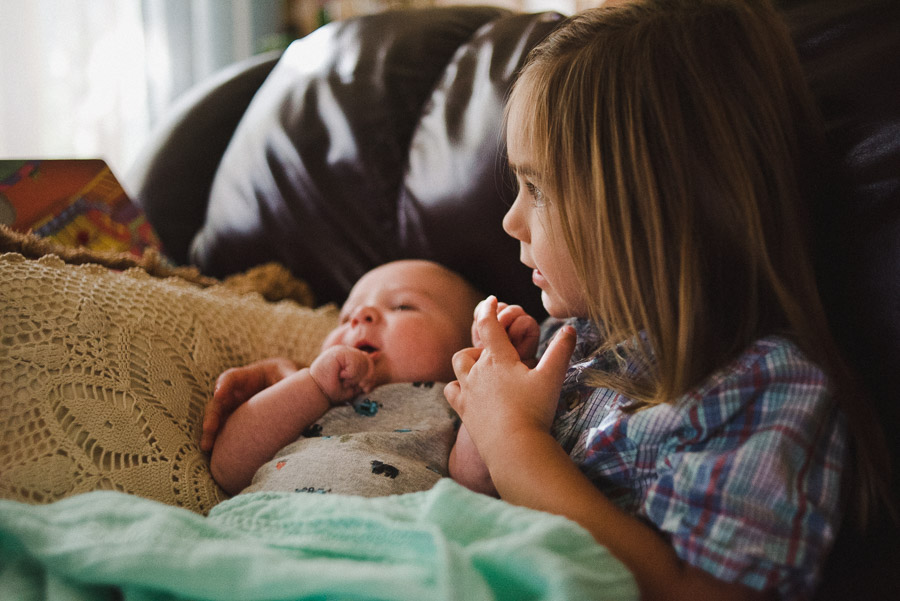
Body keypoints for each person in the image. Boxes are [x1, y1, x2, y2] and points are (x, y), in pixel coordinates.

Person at [442, 1, 893, 600]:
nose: (510, 220)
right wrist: (488, 413)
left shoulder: (761, 389)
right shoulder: (579, 340)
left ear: (656, 208)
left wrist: (513, 439)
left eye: (537, 188)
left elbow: (702, 592)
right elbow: (472, 497)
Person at [201, 259, 529, 496]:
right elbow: (228, 470)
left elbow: (478, 481)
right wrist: (313, 385)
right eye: (346, 316)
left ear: (464, 344)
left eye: (403, 306)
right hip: (266, 523)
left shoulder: (458, 400)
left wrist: (493, 368)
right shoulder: (307, 395)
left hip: (389, 539)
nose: (361, 315)